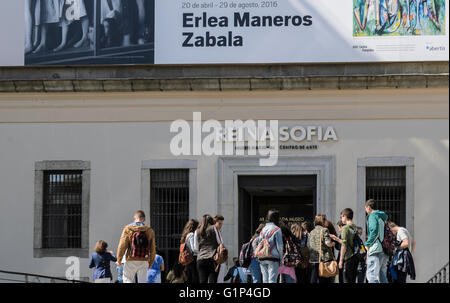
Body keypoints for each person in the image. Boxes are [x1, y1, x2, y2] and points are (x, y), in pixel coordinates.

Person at [116, 210, 156, 283]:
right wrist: (151, 262)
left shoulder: (128, 229)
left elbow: (122, 245)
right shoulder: (149, 230)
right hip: (144, 259)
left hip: (131, 258)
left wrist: (119, 259)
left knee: (127, 278)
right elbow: (153, 248)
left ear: (135, 218)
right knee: (142, 281)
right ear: (144, 219)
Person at [254, 209, 284, 283]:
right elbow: (280, 246)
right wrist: (281, 259)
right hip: (273, 257)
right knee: (272, 280)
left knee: (265, 280)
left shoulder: (263, 229)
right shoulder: (277, 229)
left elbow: (259, 242)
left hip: (262, 257)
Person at [331, 208, 359, 283]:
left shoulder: (345, 228)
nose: (341, 218)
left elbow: (344, 245)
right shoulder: (354, 226)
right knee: (352, 279)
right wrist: (337, 239)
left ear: (345, 216)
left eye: (341, 217)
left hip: (348, 257)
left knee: (346, 280)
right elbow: (348, 241)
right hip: (355, 257)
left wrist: (340, 261)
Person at [364, 199, 389, 283]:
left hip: (375, 248)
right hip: (383, 249)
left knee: (371, 275)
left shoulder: (372, 216)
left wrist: (367, 244)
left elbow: (374, 231)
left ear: (368, 207)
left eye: (365, 208)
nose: (366, 210)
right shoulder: (381, 217)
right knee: (382, 276)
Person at [309, 214, 335, 284]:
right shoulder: (324, 230)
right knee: (325, 279)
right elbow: (328, 243)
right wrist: (333, 243)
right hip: (324, 259)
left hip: (315, 259)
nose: (327, 221)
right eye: (325, 220)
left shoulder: (312, 232)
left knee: (315, 278)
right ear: (322, 221)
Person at [195, 214, 219, 283]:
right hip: (212, 258)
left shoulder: (197, 231)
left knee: (202, 281)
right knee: (212, 280)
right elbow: (219, 241)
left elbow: (195, 248)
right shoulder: (213, 228)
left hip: (200, 259)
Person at [180, 219, 200, 283]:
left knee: (190, 277)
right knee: (195, 277)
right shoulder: (191, 235)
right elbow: (193, 248)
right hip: (193, 258)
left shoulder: (187, 235)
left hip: (189, 258)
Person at [213, 215, 227, 283]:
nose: (221, 225)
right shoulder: (214, 230)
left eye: (222, 224)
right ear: (215, 222)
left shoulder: (218, 231)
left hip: (220, 258)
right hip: (217, 258)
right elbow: (220, 243)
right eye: (219, 223)